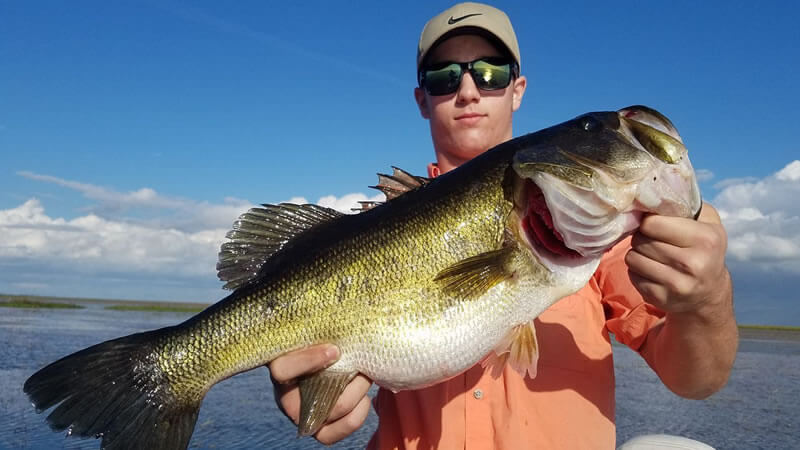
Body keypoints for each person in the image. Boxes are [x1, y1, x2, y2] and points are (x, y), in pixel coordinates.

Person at [268, 2, 738, 448]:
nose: (468, 90)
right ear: (421, 99)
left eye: (490, 73)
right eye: (444, 76)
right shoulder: (370, 230)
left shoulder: (604, 235)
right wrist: (307, 381)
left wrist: (707, 302)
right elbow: (292, 327)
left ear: (518, 90)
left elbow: (694, 380)